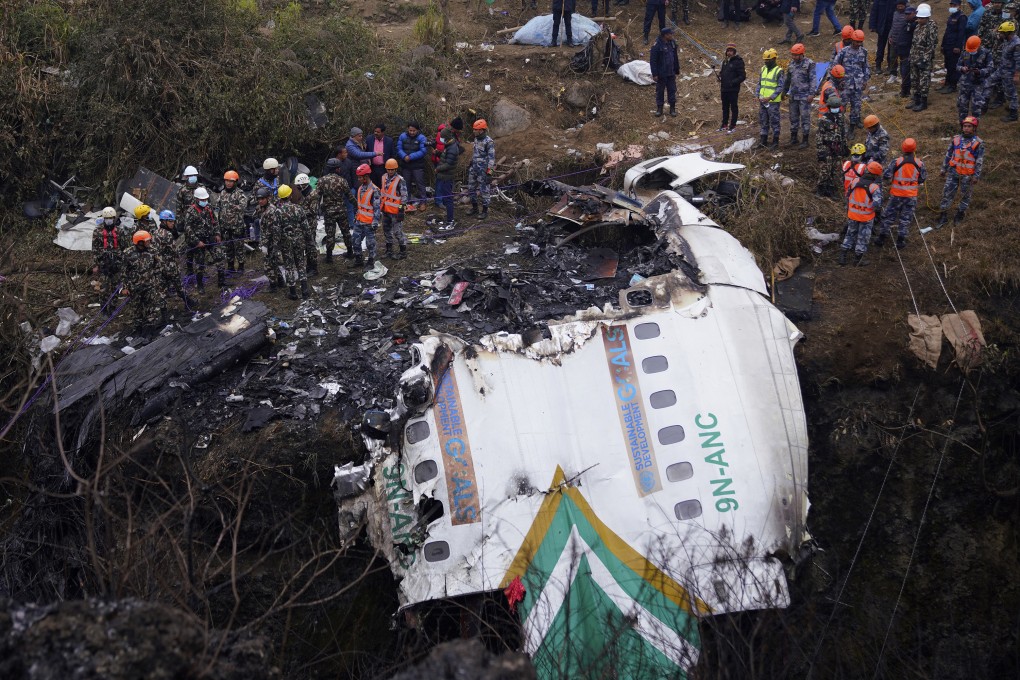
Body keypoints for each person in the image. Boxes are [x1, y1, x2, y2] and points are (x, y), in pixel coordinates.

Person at [878, 138, 926, 249]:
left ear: (902, 148)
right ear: (915, 149)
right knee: (905, 219)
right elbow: (922, 179)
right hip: (911, 196)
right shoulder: (920, 163)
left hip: (896, 194)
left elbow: (886, 175)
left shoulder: (896, 161)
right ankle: (900, 241)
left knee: (889, 216)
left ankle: (881, 238)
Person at [936, 115, 983, 228]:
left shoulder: (978, 143)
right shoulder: (956, 139)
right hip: (953, 172)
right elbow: (948, 155)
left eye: (969, 126)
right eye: (965, 126)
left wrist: (976, 175)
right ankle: (943, 215)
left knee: (965, 196)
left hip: (968, 175)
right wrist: (944, 168)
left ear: (974, 128)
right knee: (947, 194)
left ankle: (960, 214)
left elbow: (979, 161)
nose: (966, 128)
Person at [839, 161, 883, 266]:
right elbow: (877, 204)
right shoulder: (874, 187)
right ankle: (857, 260)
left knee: (850, 234)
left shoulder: (854, 181)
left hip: (853, 214)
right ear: (876, 175)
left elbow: (848, 195)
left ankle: (842, 257)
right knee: (862, 238)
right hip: (866, 217)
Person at [123, 230, 165, 333]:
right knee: (137, 310)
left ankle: (149, 331)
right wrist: (125, 287)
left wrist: (157, 281)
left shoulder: (152, 251)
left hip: (150, 286)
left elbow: (158, 267)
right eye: (147, 241)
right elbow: (124, 273)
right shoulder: (128, 254)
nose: (149, 242)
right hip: (134, 287)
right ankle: (138, 330)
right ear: (140, 242)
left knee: (150, 308)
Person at [184, 186, 223, 293]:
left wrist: (217, 233)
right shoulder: (191, 212)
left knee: (219, 258)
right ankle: (200, 285)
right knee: (200, 264)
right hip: (199, 242)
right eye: (202, 200)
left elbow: (215, 222)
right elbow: (188, 229)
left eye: (205, 199)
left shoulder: (208, 208)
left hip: (210, 239)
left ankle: (221, 282)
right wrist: (197, 242)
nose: (204, 201)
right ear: (196, 199)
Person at [152, 209, 193, 311]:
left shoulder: (155, 233)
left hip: (159, 267)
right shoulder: (168, 235)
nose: (172, 223)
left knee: (162, 291)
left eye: (173, 221)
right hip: (170, 266)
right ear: (164, 222)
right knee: (179, 286)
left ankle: (164, 314)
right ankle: (188, 303)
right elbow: (174, 251)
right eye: (170, 221)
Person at [317, 158, 357, 262]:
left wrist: (316, 209)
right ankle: (350, 252)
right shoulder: (342, 181)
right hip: (341, 210)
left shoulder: (322, 180)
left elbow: (317, 197)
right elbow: (350, 196)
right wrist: (358, 206)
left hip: (328, 212)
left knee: (330, 233)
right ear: (337, 169)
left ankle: (329, 257)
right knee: (346, 232)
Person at [276, 185, 309, 300]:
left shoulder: (278, 212)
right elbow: (306, 227)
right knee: (300, 263)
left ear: (280, 198)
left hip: (286, 243)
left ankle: (293, 292)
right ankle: (305, 290)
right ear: (290, 195)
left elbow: (276, 231)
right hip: (299, 241)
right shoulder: (298, 208)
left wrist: (276, 244)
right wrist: (309, 240)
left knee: (289, 266)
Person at [834, 29, 871, 130]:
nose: (859, 44)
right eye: (857, 42)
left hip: (858, 85)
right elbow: (835, 66)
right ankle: (840, 126)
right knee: (842, 106)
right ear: (852, 40)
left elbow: (866, 67)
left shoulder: (864, 52)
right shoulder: (843, 52)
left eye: (860, 42)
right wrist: (838, 81)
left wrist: (865, 81)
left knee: (856, 106)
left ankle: (852, 127)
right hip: (845, 84)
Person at [906, 3, 939, 111]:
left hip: (924, 59)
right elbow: (914, 43)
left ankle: (923, 102)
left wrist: (924, 59)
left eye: (921, 18)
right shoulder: (918, 27)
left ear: (926, 18)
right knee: (914, 79)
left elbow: (931, 45)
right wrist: (911, 55)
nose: (918, 20)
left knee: (924, 81)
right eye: (918, 18)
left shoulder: (931, 28)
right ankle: (916, 99)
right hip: (915, 57)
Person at [816, 94, 849, 197]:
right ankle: (821, 189)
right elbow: (819, 136)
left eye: (837, 107)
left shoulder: (841, 117)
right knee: (825, 170)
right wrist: (821, 151)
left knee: (835, 170)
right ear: (829, 107)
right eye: (834, 108)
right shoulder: (824, 120)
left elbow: (843, 133)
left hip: (838, 148)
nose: (836, 109)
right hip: (827, 148)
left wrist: (845, 147)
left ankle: (831, 189)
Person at [91, 206, 127, 298]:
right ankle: (104, 309)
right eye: (107, 218)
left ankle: (113, 306)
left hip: (117, 263)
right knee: (103, 288)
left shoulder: (120, 231)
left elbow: (125, 248)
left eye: (110, 218)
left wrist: (125, 263)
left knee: (116, 288)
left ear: (114, 218)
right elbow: (94, 249)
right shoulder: (97, 231)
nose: (109, 220)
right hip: (103, 263)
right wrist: (95, 265)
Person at [987, 21, 1020, 121]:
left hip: (1010, 73)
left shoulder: (1017, 44)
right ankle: (984, 104)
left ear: (1008, 33)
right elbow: (997, 36)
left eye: (1002, 33)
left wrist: (1017, 75)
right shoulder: (1007, 39)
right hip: (1001, 69)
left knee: (1010, 93)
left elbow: (1019, 61)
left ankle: (1013, 114)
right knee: (988, 82)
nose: (1000, 34)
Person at [783, 43, 814, 147]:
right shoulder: (791, 64)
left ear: (801, 54)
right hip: (793, 95)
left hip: (805, 96)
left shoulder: (809, 63)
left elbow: (813, 80)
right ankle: (794, 138)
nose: (794, 57)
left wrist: (811, 94)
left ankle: (805, 139)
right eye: (793, 55)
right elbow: (788, 79)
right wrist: (784, 91)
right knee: (793, 117)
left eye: (796, 55)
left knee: (805, 117)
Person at [218, 170, 249, 275]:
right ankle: (230, 266)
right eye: (226, 181)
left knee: (239, 247)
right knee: (228, 247)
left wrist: (235, 207)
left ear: (235, 182)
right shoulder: (222, 193)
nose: (228, 183)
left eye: (230, 181)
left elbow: (244, 206)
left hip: (237, 226)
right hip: (225, 227)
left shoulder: (239, 194)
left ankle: (241, 266)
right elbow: (219, 206)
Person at [957, 35, 994, 120]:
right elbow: (958, 65)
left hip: (978, 84)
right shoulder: (965, 52)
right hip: (965, 84)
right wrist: (962, 68)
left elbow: (990, 68)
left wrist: (980, 72)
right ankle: (963, 127)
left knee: (976, 107)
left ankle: (973, 129)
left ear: (979, 46)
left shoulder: (987, 53)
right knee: (962, 106)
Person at [352, 163, 382, 268]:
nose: (358, 179)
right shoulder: (360, 188)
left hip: (369, 222)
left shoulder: (375, 190)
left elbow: (377, 208)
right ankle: (358, 259)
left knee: (370, 244)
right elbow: (360, 205)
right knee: (355, 241)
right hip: (359, 220)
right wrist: (356, 217)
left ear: (366, 176)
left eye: (360, 177)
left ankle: (371, 261)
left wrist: (375, 221)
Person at [379, 159, 410, 260]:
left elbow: (404, 196)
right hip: (386, 210)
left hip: (396, 211)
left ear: (396, 169)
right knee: (386, 230)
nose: (390, 171)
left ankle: (403, 251)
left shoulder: (400, 180)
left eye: (392, 170)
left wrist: (401, 210)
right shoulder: (383, 177)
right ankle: (389, 250)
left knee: (397, 232)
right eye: (389, 169)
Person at [467, 119, 496, 220]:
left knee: (484, 190)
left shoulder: (489, 142)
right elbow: (476, 153)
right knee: (471, 188)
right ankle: (474, 208)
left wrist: (489, 173)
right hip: (474, 169)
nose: (474, 131)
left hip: (483, 171)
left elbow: (492, 159)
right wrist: (471, 162)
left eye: (476, 129)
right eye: (474, 129)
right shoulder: (476, 139)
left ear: (482, 130)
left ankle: (484, 211)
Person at [254, 187, 283, 290]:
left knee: (268, 264)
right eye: (259, 199)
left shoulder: (271, 211)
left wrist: (265, 245)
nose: (260, 201)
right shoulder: (261, 208)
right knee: (273, 262)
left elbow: (271, 231)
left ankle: (273, 285)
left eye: (262, 199)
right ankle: (280, 281)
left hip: (272, 240)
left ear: (268, 198)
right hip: (266, 238)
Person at [397, 121, 430, 210]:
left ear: (417, 130)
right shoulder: (402, 136)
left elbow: (423, 151)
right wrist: (404, 156)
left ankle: (423, 202)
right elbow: (399, 148)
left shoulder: (422, 138)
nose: (412, 132)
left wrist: (410, 157)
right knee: (405, 184)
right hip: (405, 165)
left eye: (414, 131)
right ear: (408, 129)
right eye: (410, 130)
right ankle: (406, 202)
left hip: (417, 165)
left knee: (420, 184)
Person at [756, 48, 785, 148]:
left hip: (773, 102)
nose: (766, 62)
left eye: (768, 60)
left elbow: (780, 86)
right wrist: (757, 94)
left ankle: (775, 142)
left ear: (774, 59)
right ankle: (763, 141)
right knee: (763, 121)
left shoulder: (779, 71)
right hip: (763, 101)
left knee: (774, 121)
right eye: (765, 60)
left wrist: (770, 97)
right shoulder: (763, 69)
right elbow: (760, 83)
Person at [434, 126, 461, 230]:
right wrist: (439, 153)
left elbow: (449, 164)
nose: (441, 139)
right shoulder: (449, 146)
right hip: (444, 175)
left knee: (448, 199)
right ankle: (449, 218)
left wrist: (438, 169)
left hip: (447, 176)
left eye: (442, 137)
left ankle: (450, 220)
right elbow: (446, 157)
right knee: (446, 198)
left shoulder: (453, 148)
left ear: (446, 137)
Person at [938, 0, 968, 93]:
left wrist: (958, 46)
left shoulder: (962, 17)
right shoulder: (951, 16)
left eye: (954, 5)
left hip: (954, 46)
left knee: (953, 66)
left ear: (959, 6)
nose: (952, 6)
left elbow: (961, 33)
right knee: (947, 65)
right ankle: (947, 83)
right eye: (951, 5)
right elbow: (947, 32)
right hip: (947, 44)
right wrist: (942, 45)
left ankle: (952, 85)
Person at [651, 27, 681, 118]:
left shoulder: (672, 43)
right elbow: (653, 60)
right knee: (660, 91)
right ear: (665, 35)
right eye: (670, 34)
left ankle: (672, 108)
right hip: (661, 73)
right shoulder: (657, 45)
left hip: (671, 72)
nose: (672, 35)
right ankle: (659, 108)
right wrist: (655, 73)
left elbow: (675, 57)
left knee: (672, 90)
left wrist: (676, 69)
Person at [292, 173, 318, 276]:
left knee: (311, 246)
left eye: (299, 186)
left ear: (304, 184)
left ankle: (314, 268)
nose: (298, 188)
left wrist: (299, 212)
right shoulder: (305, 195)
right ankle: (309, 266)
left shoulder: (313, 195)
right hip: (305, 224)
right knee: (307, 246)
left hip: (311, 224)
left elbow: (313, 211)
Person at [717, 44, 746, 132]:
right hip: (724, 88)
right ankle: (724, 124)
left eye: (731, 51)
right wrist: (720, 76)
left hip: (733, 89)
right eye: (728, 51)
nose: (729, 52)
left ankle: (733, 125)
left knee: (733, 107)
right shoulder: (725, 61)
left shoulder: (738, 61)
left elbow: (742, 76)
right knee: (724, 107)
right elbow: (723, 72)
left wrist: (733, 82)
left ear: (734, 52)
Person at [870, 0, 899, 74]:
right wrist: (873, 25)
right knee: (880, 47)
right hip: (882, 27)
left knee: (891, 48)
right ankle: (878, 65)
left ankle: (890, 66)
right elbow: (874, 11)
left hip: (893, 28)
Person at [897, 7, 919, 98]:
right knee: (903, 72)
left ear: (914, 13)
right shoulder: (906, 23)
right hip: (902, 52)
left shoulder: (915, 25)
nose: (906, 15)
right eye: (905, 14)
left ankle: (905, 91)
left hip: (907, 53)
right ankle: (904, 89)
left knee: (906, 72)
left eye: (908, 14)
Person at [886, 1, 911, 75]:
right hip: (894, 40)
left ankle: (903, 73)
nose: (900, 8)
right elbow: (892, 26)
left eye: (901, 6)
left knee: (903, 58)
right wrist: (890, 36)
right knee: (892, 57)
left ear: (905, 6)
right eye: (898, 6)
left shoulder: (907, 15)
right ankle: (893, 73)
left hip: (903, 41)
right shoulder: (895, 14)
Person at [176, 165, 200, 239]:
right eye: (190, 175)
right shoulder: (182, 190)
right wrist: (179, 223)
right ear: (186, 177)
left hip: (200, 220)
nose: (193, 177)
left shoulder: (201, 188)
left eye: (194, 175)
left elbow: (207, 205)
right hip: (187, 221)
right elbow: (178, 208)